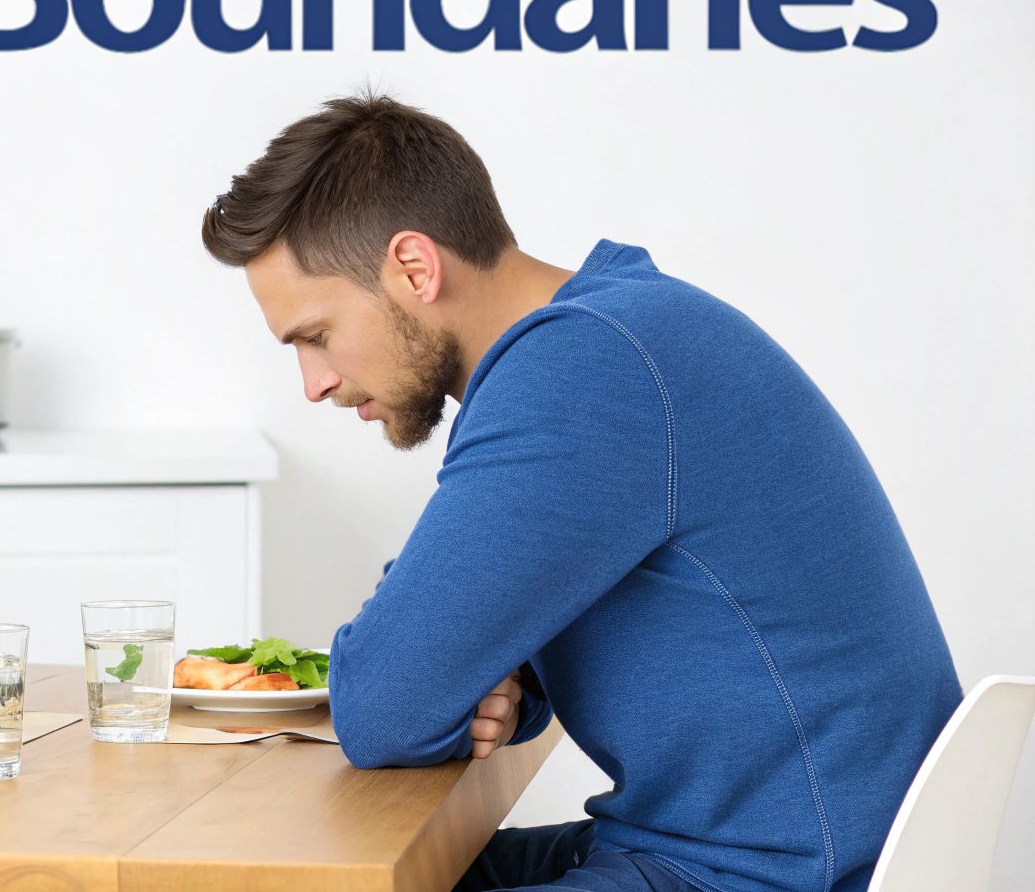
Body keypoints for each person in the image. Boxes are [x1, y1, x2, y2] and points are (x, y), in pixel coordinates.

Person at [200, 95, 960, 892]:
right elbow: (445, 649)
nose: (315, 383)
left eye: (315, 336)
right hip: (737, 846)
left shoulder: (582, 369)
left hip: (771, 873)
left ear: (415, 268)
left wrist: (450, 675)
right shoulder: (615, 334)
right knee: (322, 874)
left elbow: (384, 701)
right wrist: (497, 682)